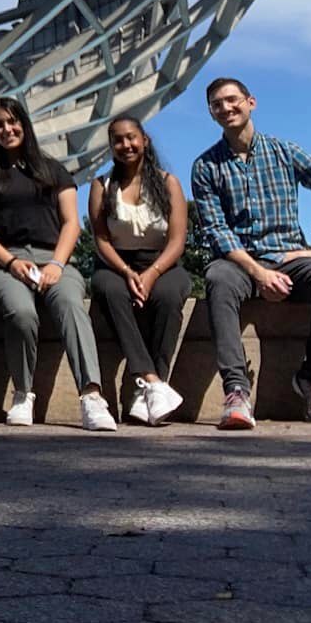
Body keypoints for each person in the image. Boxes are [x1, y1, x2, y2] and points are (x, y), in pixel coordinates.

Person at [189, 77, 311, 429]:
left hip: (289, 257)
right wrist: (259, 273)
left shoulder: (285, 152)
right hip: (240, 262)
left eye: (232, 100)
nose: (226, 108)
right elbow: (216, 230)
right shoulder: (205, 167)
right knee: (217, 279)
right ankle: (236, 390)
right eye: (217, 104)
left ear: (251, 102)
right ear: (211, 113)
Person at [0, 95, 116, 431]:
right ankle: (22, 393)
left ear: (24, 124)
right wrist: (11, 262)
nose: (7, 129)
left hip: (53, 258)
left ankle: (91, 395)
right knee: (21, 312)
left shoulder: (52, 170)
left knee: (71, 305)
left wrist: (57, 265)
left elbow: (71, 223)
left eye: (12, 121)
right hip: (3, 263)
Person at [86, 116, 191, 426]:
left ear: (144, 140)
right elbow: (101, 239)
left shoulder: (168, 183)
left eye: (131, 137)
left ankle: (147, 393)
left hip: (162, 261)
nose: (125, 145)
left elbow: (178, 240)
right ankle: (153, 381)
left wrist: (152, 273)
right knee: (110, 291)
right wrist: (126, 271)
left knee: (169, 296)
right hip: (115, 264)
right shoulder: (101, 186)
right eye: (117, 140)